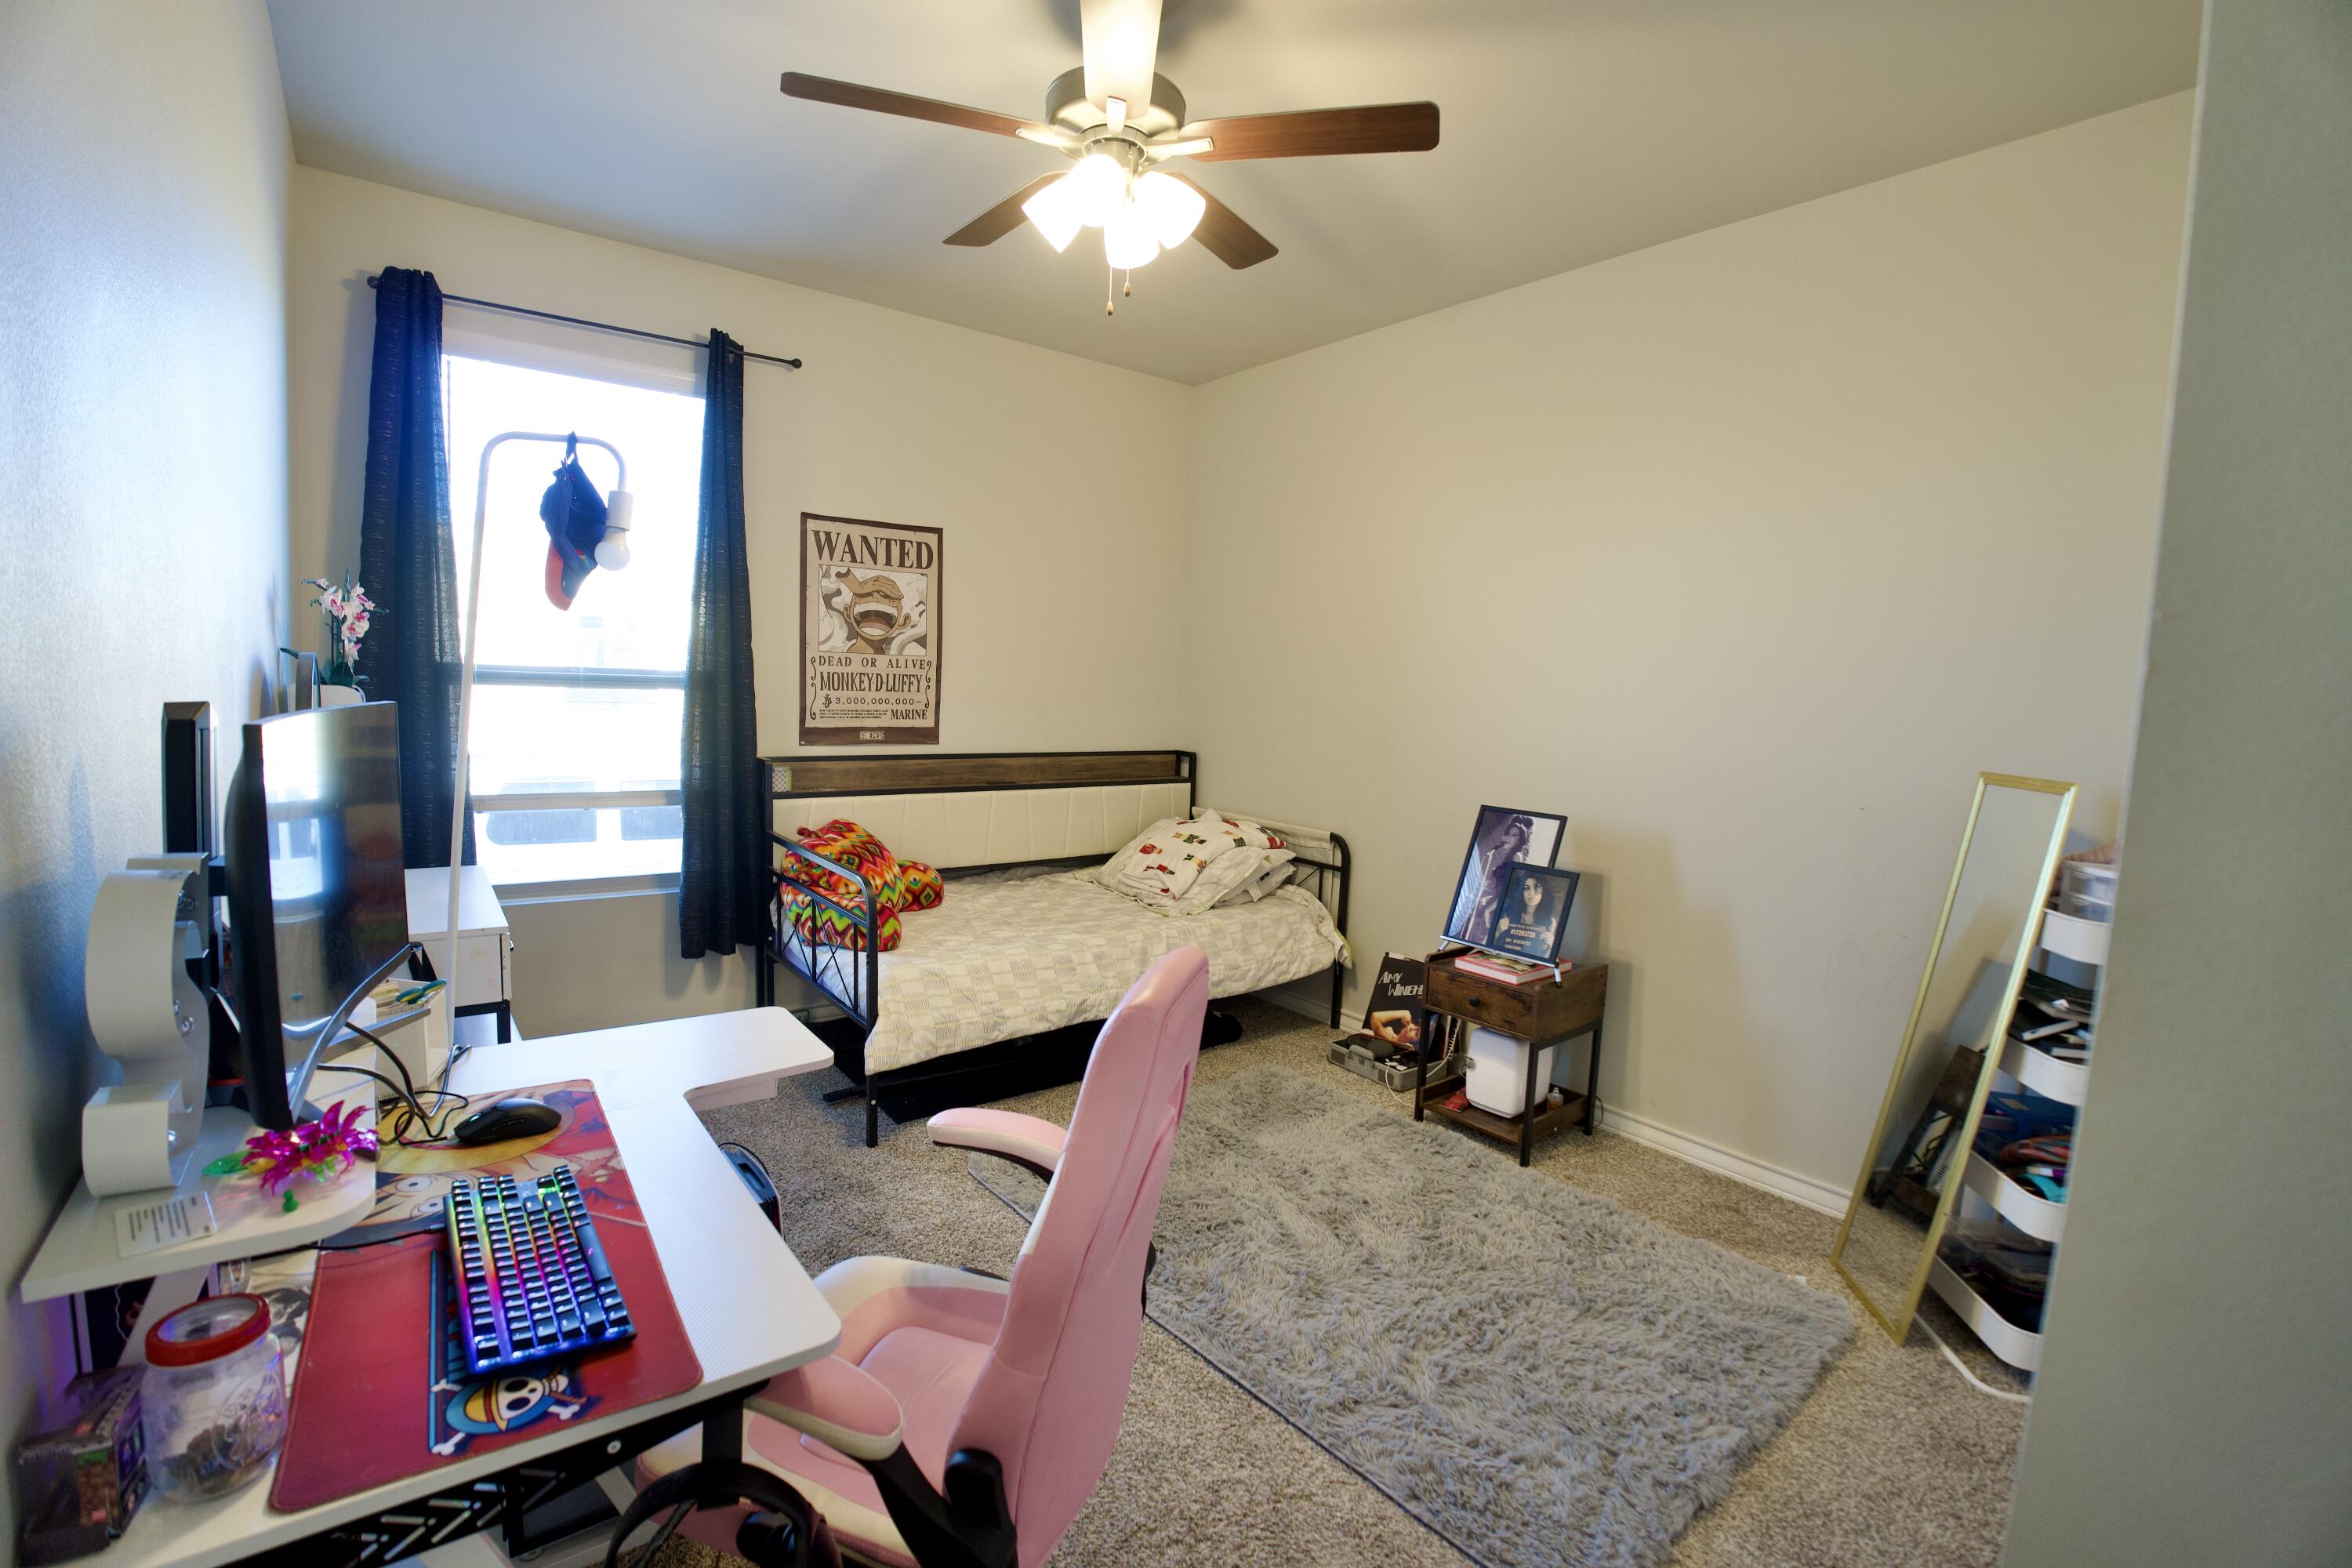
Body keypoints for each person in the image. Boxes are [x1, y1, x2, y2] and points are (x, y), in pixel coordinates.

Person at [1448, 813, 1533, 946]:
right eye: (1509, 833)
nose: (1510, 837)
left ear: (1520, 840)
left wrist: (1490, 908)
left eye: (1514, 835)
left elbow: (1512, 889)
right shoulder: (1497, 854)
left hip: (1496, 907)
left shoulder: (1518, 857)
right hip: (1486, 902)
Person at [1490, 872, 1562, 960]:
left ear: (1544, 891)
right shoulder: (1507, 914)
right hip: (1504, 960)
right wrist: (1497, 932)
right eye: (1526, 888)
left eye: (1536, 888)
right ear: (1521, 892)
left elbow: (1545, 957)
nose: (1531, 893)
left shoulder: (1550, 922)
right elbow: (1492, 950)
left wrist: (1552, 945)